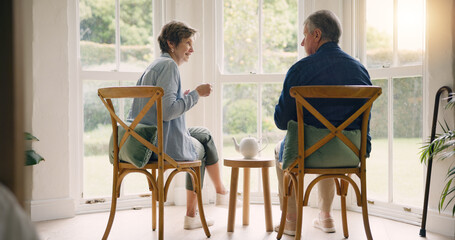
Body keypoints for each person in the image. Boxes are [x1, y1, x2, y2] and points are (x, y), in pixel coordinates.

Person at [273, 10, 372, 236]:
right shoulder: (360, 70)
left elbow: (281, 121)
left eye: (305, 35)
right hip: (350, 152)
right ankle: (326, 217)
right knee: (331, 138)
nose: (301, 42)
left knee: (282, 148)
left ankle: (290, 220)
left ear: (316, 35)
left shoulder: (299, 69)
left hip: (306, 153)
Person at [128, 21, 231, 230]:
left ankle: (220, 193)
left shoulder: (154, 65)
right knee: (200, 149)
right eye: (187, 43)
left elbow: (160, 107)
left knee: (204, 134)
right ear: (171, 44)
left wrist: (181, 97)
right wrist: (196, 94)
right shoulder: (169, 66)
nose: (192, 49)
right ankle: (197, 212)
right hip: (159, 145)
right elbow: (167, 113)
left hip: (145, 137)